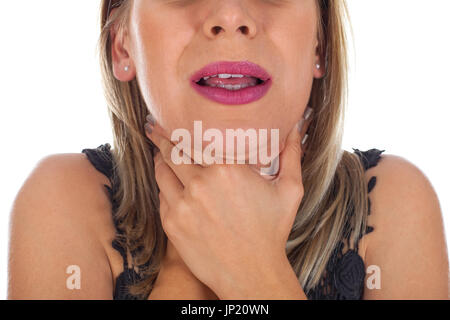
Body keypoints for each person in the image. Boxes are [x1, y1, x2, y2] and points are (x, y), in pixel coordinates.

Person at [8, 0, 448, 300]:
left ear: (320, 45)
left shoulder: (392, 203)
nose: (231, 16)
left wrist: (255, 271)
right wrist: (187, 264)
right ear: (123, 44)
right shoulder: (62, 200)